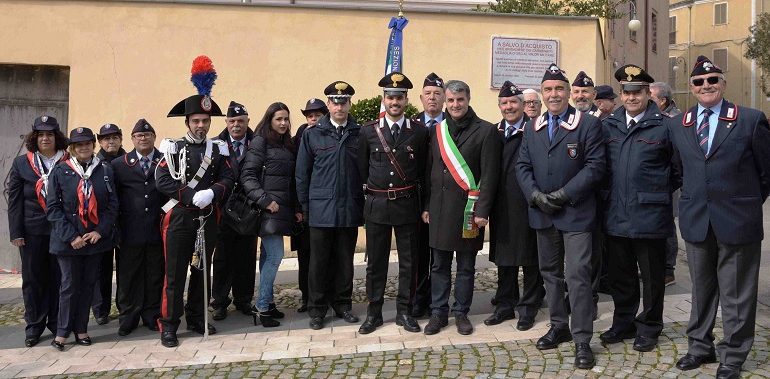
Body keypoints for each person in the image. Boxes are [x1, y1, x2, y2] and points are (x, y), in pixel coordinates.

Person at [669, 56, 770, 379]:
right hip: (697, 219)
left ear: (723, 84)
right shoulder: (679, 124)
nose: (706, 86)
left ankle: (733, 355)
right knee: (702, 288)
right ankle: (699, 346)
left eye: (712, 80)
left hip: (738, 220)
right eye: (699, 82)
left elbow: (767, 172)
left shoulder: (750, 120)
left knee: (737, 293)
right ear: (692, 87)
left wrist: (748, 203)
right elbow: (679, 170)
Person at [515, 63, 605, 369]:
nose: (554, 95)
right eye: (548, 90)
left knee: (577, 276)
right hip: (543, 213)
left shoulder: (588, 125)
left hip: (576, 212)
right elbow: (522, 166)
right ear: (542, 94)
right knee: (550, 274)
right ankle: (559, 326)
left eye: (559, 89)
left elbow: (595, 167)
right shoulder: (533, 125)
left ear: (568, 92)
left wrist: (564, 195)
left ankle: (582, 339)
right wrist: (536, 196)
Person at [155, 61, 235, 347]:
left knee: (202, 271)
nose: (201, 126)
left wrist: (213, 192)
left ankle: (198, 317)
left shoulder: (218, 148)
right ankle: (169, 325)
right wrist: (190, 196)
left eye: (205, 121)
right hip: (179, 218)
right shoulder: (173, 148)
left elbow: (228, 177)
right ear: (187, 122)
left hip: (208, 218)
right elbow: (162, 180)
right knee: (174, 274)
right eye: (196, 121)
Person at [599, 65, 675, 352]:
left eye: (638, 92)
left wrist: (656, 193)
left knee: (653, 277)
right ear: (621, 94)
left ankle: (651, 326)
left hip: (650, 215)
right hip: (616, 212)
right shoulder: (609, 125)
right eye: (627, 92)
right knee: (621, 275)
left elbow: (677, 170)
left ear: (648, 93)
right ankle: (624, 322)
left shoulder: (665, 125)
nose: (632, 98)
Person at [422, 79, 501, 336]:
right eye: (452, 100)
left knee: (466, 267)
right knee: (439, 266)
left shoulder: (486, 131)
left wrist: (483, 212)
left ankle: (461, 313)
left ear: (468, 100)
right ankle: (438, 313)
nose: (456, 105)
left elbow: (490, 175)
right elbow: (428, 172)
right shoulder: (437, 131)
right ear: (446, 101)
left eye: (461, 100)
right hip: (440, 209)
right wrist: (426, 206)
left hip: (469, 211)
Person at [358, 72, 429, 334]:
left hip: (407, 205)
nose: (394, 101)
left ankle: (404, 312)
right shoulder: (368, 132)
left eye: (399, 97)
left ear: (406, 99)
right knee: (375, 263)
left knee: (409, 263)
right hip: (377, 206)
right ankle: (374, 313)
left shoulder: (418, 132)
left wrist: (425, 206)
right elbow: (360, 171)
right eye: (390, 97)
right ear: (383, 99)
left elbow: (423, 172)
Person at [296, 81, 364, 330]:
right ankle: (317, 309)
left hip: (349, 206)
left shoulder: (359, 133)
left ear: (349, 104)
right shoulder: (312, 134)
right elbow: (302, 174)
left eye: (343, 101)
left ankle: (343, 304)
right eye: (335, 101)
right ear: (328, 105)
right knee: (319, 263)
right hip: (320, 209)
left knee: (345, 260)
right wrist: (304, 208)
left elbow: (364, 171)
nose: (339, 106)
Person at [46, 127, 119, 350]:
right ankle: (62, 332)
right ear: (72, 148)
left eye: (88, 143)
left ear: (93, 145)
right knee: (68, 286)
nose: (84, 147)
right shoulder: (60, 171)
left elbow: (112, 205)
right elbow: (53, 208)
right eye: (79, 144)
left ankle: (81, 329)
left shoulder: (104, 170)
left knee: (88, 285)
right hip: (68, 242)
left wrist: (100, 231)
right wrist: (71, 236)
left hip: (93, 240)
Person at [486, 81, 544, 331]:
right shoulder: (493, 132)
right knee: (505, 258)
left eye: (513, 102)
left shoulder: (535, 130)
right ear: (499, 106)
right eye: (504, 103)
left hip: (530, 203)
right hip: (502, 206)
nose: (509, 107)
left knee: (532, 259)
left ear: (523, 105)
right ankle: (505, 305)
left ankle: (529, 307)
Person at [7, 115, 68, 347]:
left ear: (56, 137)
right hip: (32, 232)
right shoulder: (22, 163)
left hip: (61, 230)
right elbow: (14, 200)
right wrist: (16, 232)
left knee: (59, 278)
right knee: (33, 280)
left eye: (50, 134)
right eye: (41, 134)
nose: (45, 138)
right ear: (35, 137)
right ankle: (34, 325)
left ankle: (56, 323)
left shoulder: (68, 160)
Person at [240, 102, 300, 327]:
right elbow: (248, 176)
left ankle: (270, 304)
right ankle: (262, 307)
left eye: (286, 119)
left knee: (267, 257)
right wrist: (265, 200)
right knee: (275, 256)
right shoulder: (260, 141)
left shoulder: (286, 144)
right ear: (269, 120)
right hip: (268, 210)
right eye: (279, 119)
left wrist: (295, 209)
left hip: (282, 210)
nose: (283, 123)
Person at [111, 119, 166, 336]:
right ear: (132, 140)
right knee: (128, 276)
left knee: (154, 274)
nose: (143, 138)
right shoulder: (119, 164)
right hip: (129, 231)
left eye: (147, 135)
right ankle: (128, 316)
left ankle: (152, 315)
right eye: (138, 136)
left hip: (157, 229)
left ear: (154, 137)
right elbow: (113, 198)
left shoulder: (165, 161)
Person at [211, 101, 258, 321]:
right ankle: (219, 302)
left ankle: (244, 299)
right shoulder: (215, 145)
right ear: (226, 123)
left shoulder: (258, 143)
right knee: (222, 259)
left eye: (240, 121)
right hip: (223, 211)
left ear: (248, 121)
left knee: (246, 257)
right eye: (232, 121)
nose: (236, 125)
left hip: (249, 210)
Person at [409, 72, 446, 318]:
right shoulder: (411, 125)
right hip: (417, 200)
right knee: (419, 255)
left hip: (444, 200)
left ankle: (439, 301)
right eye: (428, 94)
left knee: (441, 256)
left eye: (437, 94)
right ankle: (418, 300)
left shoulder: (451, 124)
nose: (432, 98)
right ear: (421, 98)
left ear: (444, 98)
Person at [291, 98, 328, 313]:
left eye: (317, 115)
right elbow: (296, 176)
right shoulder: (300, 137)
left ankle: (326, 295)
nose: (313, 119)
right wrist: (298, 208)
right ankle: (307, 297)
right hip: (303, 208)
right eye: (310, 115)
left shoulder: (327, 134)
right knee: (306, 257)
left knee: (324, 255)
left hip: (323, 207)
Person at [91, 123, 126, 325]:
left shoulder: (129, 160)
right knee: (101, 270)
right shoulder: (93, 163)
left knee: (125, 270)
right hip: (101, 225)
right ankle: (100, 309)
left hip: (125, 223)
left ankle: (124, 307)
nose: (110, 141)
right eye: (105, 138)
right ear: (100, 142)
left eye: (114, 137)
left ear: (121, 139)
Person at [650, 81, 682, 286]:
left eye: (650, 97)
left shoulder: (675, 120)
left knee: (667, 224)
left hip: (668, 183)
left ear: (662, 101)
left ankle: (668, 270)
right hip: (653, 183)